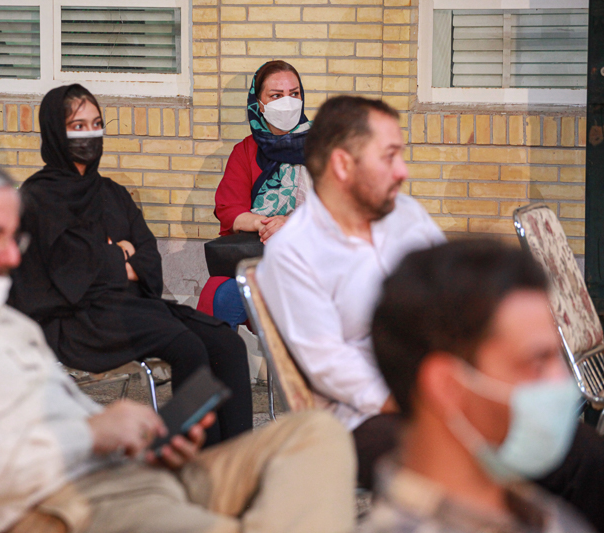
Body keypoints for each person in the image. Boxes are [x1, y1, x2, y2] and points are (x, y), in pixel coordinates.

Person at [0, 155, 358, 533]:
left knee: (316, 436)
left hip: (131, 476)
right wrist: (91, 434)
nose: (12, 257)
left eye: (14, 239)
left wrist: (139, 444)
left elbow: (64, 414)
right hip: (68, 509)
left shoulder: (1, 321)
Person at [257, 95, 604, 531]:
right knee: (477, 455)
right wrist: (428, 400)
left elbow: (454, 295)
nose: (402, 170)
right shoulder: (293, 252)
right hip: (369, 415)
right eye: (389, 156)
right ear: (343, 165)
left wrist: (487, 376)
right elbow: (330, 364)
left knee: (582, 451)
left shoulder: (405, 213)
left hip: (451, 384)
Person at [9, 84, 253, 446]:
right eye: (78, 126)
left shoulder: (111, 193)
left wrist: (114, 257)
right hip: (74, 320)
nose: (90, 135)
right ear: (55, 132)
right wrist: (120, 256)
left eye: (96, 124)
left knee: (227, 343)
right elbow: (71, 272)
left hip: (130, 307)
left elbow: (149, 258)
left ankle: (239, 454)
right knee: (187, 347)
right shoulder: (38, 198)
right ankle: (198, 457)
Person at [361, 239, 594, 533]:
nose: (562, 384)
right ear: (447, 387)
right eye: (536, 363)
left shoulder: (543, 515)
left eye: (557, 358)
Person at [197, 61, 313, 330]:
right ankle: (217, 358)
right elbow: (229, 210)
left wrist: (291, 223)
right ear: (259, 104)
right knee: (218, 294)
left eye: (294, 94)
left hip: (312, 260)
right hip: (260, 256)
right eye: (276, 95)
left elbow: (340, 209)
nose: (287, 102)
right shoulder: (246, 151)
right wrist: (269, 225)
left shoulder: (324, 147)